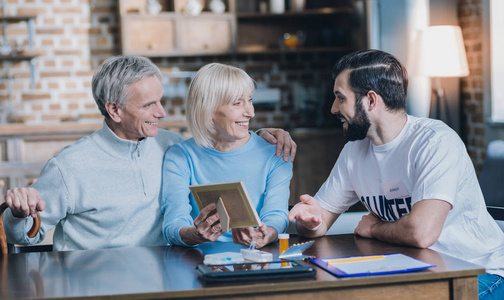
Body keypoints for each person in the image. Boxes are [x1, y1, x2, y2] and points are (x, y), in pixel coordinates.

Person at [2, 55, 296, 251]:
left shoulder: (170, 145)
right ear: (114, 110)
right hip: (92, 281)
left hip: (163, 273)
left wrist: (261, 136)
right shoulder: (69, 166)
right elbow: (26, 235)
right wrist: (17, 213)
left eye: (160, 101)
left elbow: (218, 143)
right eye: (148, 105)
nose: (162, 112)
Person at [288, 49, 504, 299]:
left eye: (340, 98)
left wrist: (375, 228)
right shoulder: (354, 151)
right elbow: (320, 221)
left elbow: (421, 233)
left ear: (371, 100)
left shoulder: (435, 142)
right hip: (415, 271)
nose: (334, 108)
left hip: (477, 273)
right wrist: (309, 221)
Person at [161, 63, 292, 248]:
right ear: (209, 109)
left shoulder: (275, 153)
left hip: (256, 258)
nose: (250, 113)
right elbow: (173, 224)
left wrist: (267, 233)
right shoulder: (180, 157)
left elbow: (276, 215)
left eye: (250, 100)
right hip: (197, 263)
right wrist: (195, 234)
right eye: (237, 103)